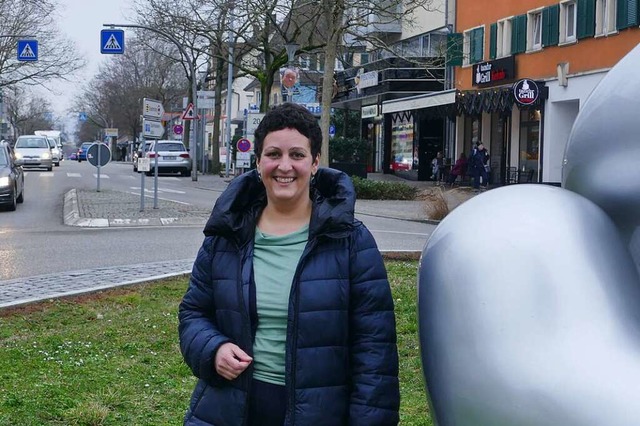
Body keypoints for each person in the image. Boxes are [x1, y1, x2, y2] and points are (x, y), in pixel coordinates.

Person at [178, 102, 400, 426]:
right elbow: (193, 313)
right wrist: (214, 350)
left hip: (319, 413)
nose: (285, 166)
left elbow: (374, 353)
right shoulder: (226, 235)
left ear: (315, 163)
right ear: (258, 162)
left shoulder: (350, 241)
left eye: (297, 155)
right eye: (273, 154)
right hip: (229, 409)